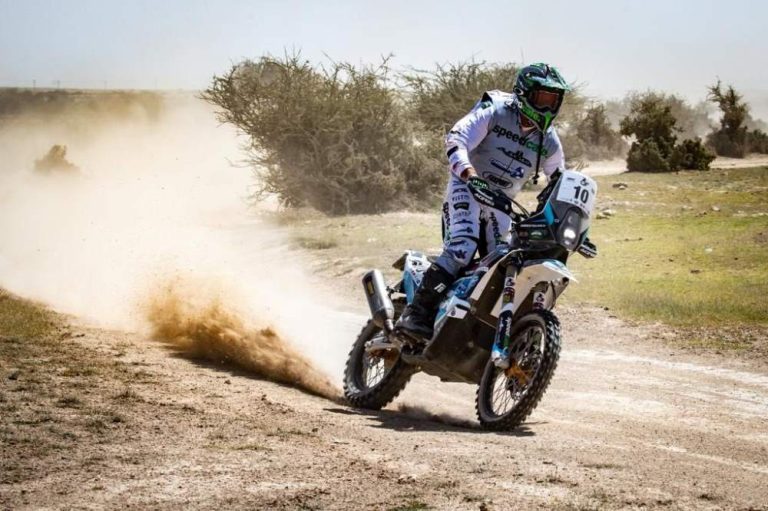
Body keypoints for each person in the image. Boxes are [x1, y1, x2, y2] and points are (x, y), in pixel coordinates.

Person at [395, 63, 571, 342]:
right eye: (542, 98)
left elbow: (560, 182)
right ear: (524, 93)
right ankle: (416, 313)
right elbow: (456, 140)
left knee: (504, 259)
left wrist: (571, 221)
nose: (548, 107)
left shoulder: (548, 141)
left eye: (554, 100)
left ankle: (477, 327)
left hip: (501, 203)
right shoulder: (496, 110)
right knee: (462, 247)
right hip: (467, 186)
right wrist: (470, 176)